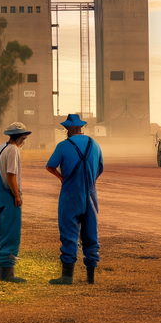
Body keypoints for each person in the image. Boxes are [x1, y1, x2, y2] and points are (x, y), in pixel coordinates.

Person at [45, 113, 102, 285]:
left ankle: (67, 277)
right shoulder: (95, 145)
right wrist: (90, 181)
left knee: (69, 234)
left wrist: (62, 178)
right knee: (91, 234)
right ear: (81, 127)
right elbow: (100, 168)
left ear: (69, 128)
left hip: (70, 194)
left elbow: (50, 166)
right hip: (91, 195)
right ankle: (90, 277)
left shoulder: (63, 146)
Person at [0, 122, 32, 282]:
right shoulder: (13, 150)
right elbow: (10, 175)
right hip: (8, 195)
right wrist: (17, 196)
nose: (24, 141)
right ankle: (8, 273)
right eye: (24, 138)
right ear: (20, 137)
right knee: (10, 233)